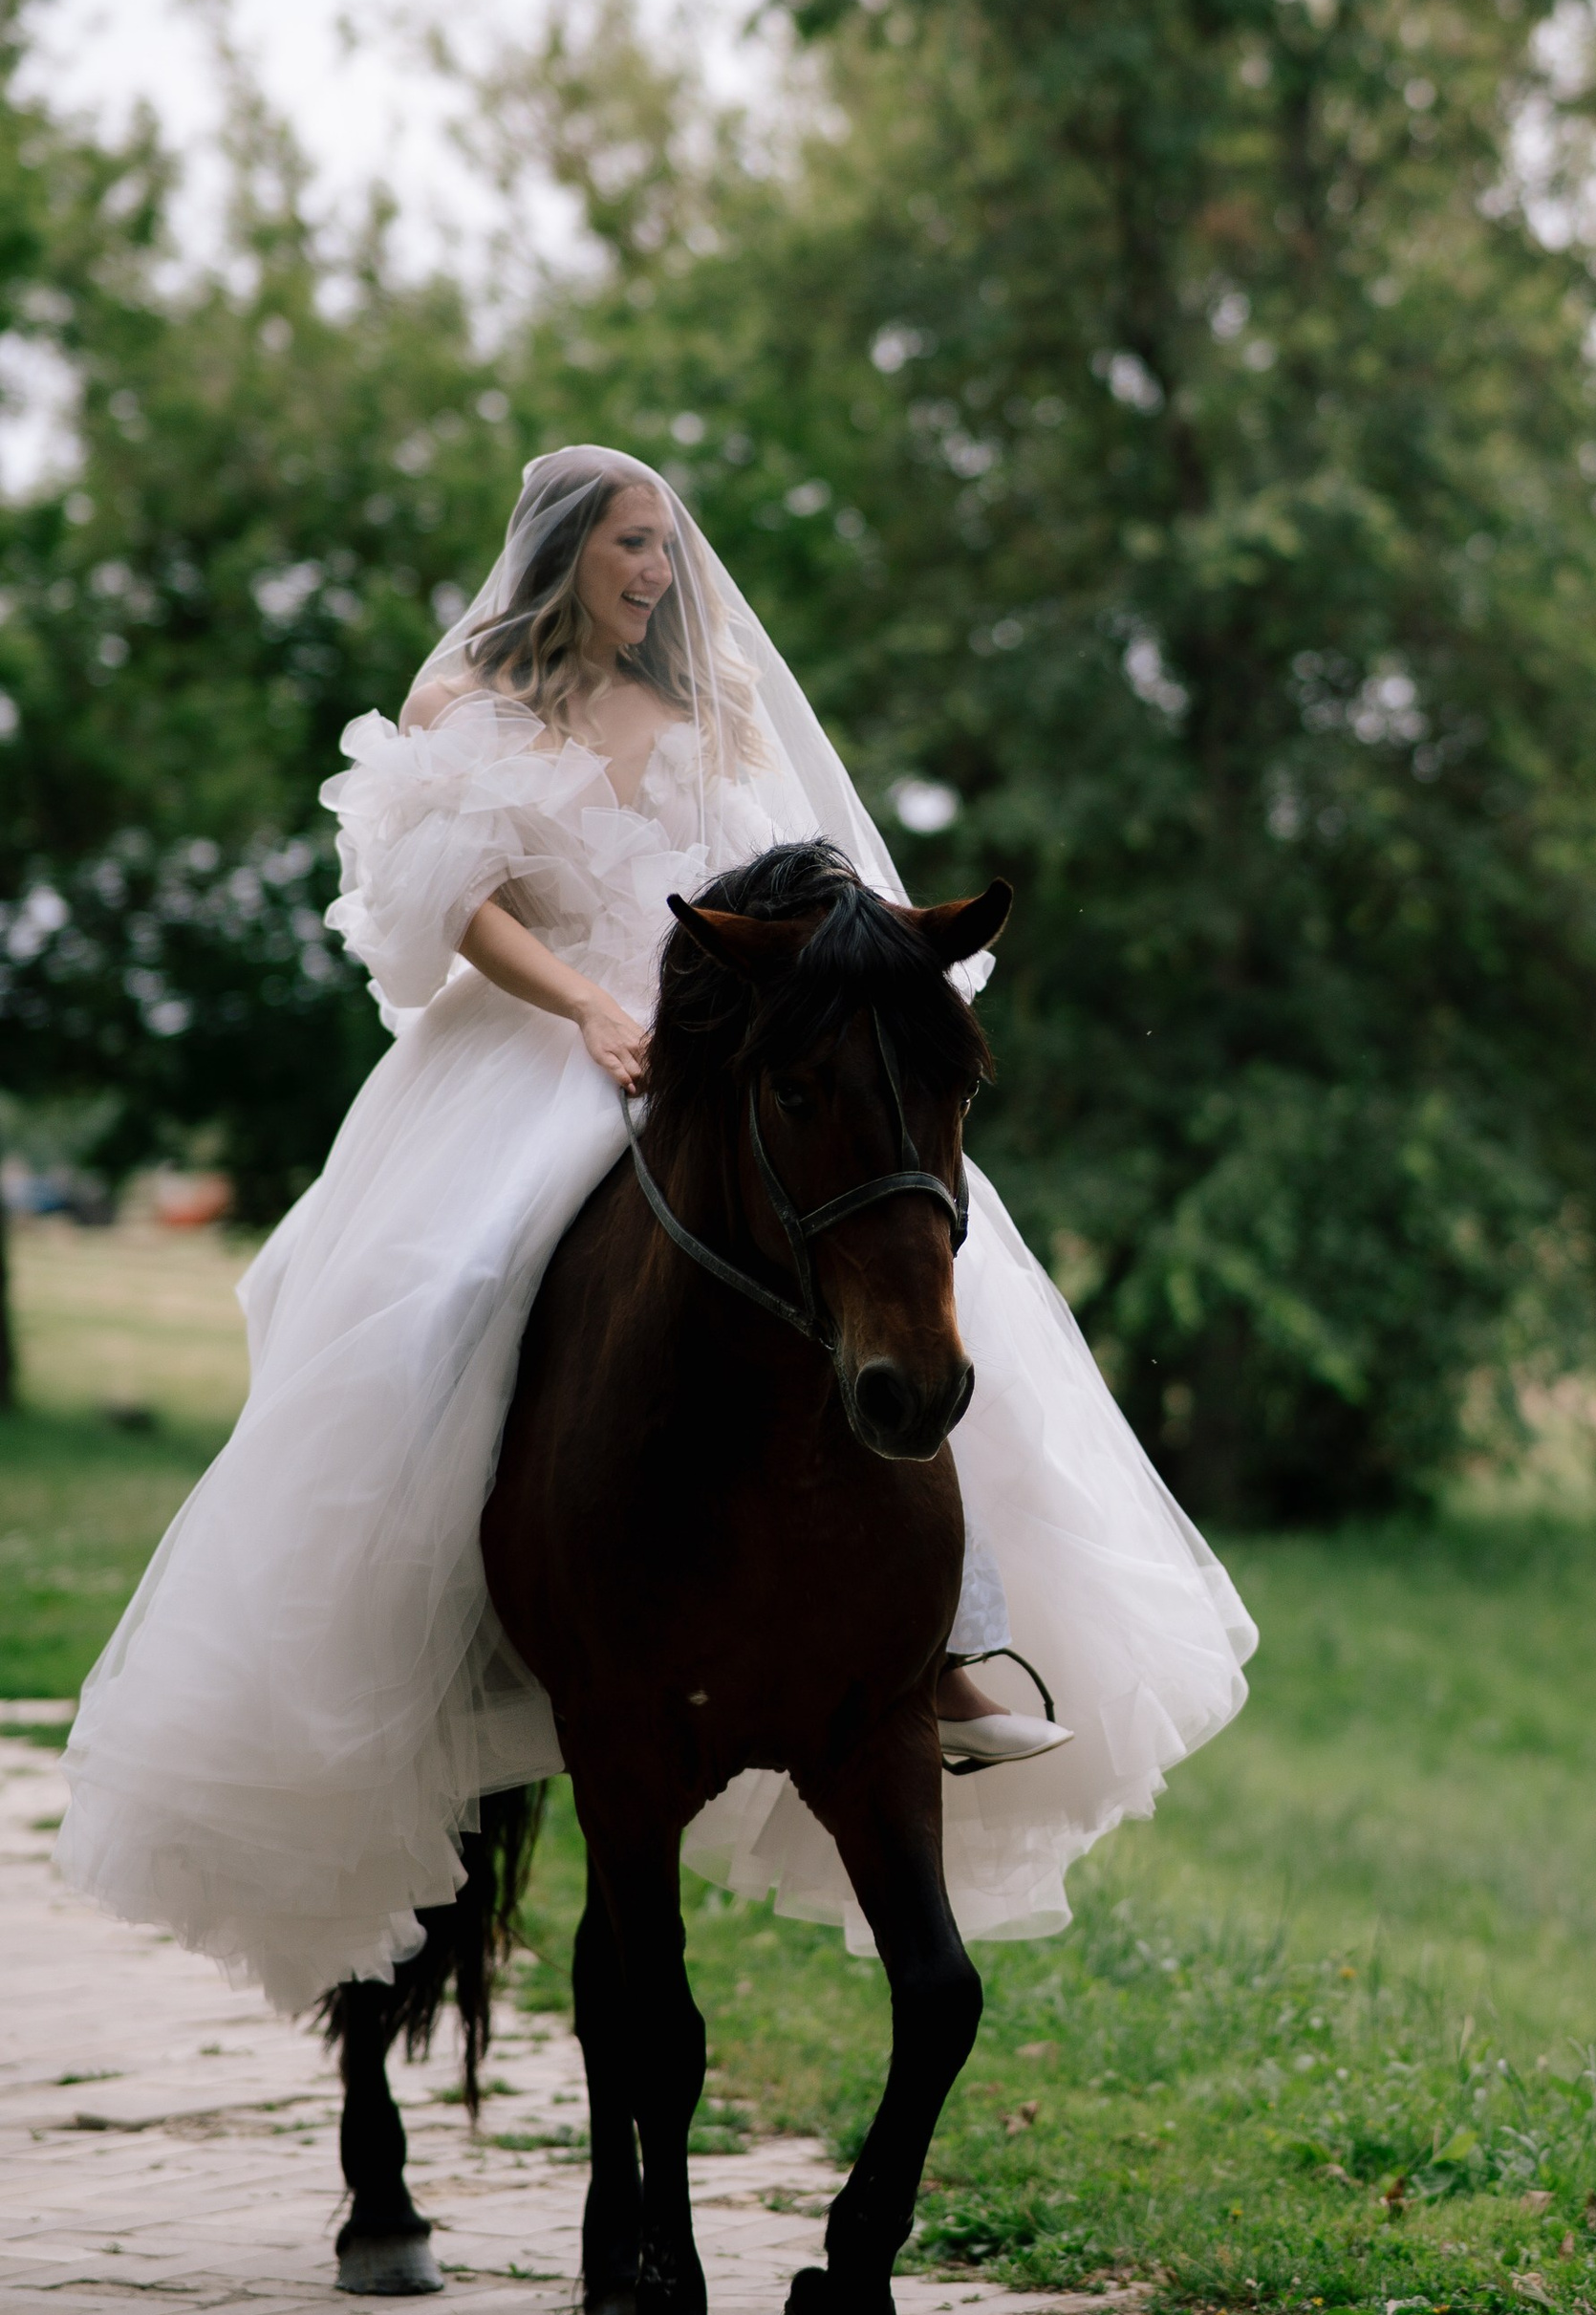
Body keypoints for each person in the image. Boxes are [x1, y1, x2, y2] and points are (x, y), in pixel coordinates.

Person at [56, 446, 1255, 2012]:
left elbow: (805, 888)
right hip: (544, 1042)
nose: (660, 576)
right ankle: (414, 1630)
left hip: (725, 1048)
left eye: (668, 553)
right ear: (567, 552)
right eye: (634, 547)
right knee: (452, 1292)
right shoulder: (467, 711)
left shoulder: (718, 712)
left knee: (944, 1289)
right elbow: (446, 904)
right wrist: (588, 1007)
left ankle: (950, 1640)